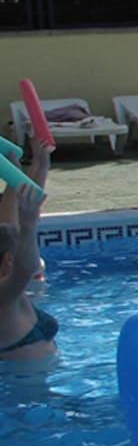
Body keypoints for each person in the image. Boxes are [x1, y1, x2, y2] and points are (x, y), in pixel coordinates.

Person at [0, 138, 55, 363]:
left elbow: (19, 207)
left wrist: (39, 165)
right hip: (21, 384)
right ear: (8, 259)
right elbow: (26, 267)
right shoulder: (4, 297)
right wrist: (30, 224)